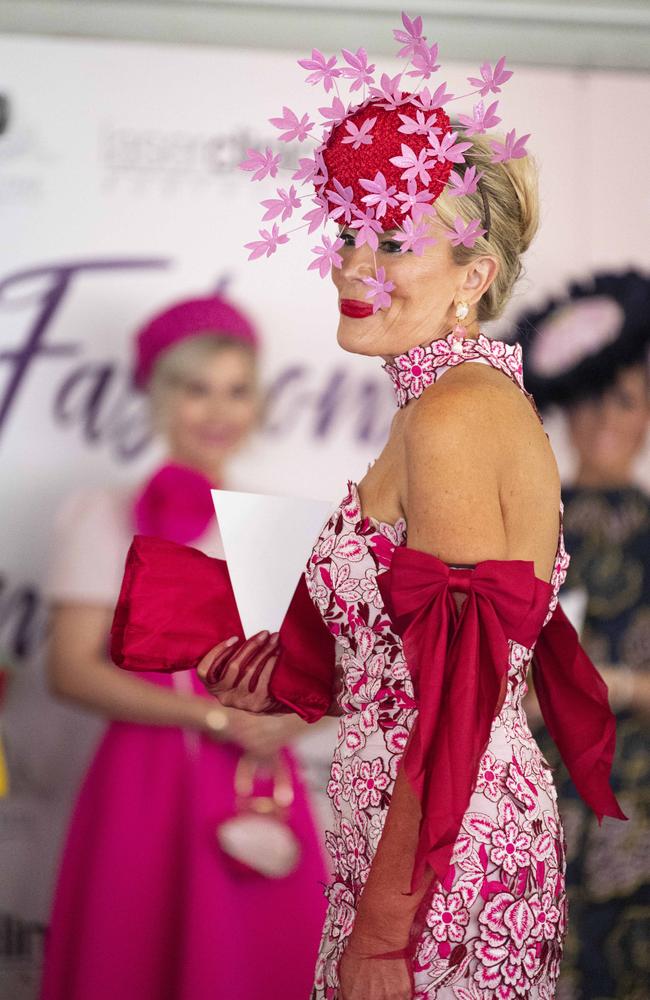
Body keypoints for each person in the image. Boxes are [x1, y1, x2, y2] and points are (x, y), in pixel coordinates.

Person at [112, 15, 624, 999]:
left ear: (472, 276)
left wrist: (385, 931)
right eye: (349, 231)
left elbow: (457, 693)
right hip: (408, 827)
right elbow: (406, 662)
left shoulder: (455, 417)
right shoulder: (434, 406)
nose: (354, 262)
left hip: (438, 854)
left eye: (393, 239)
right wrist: (276, 658)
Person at [40, 291, 327, 1000]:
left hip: (258, 785)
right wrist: (218, 719)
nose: (219, 411)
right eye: (197, 389)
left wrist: (294, 716)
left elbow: (310, 674)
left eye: (236, 390)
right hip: (147, 779)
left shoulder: (272, 523)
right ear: (161, 394)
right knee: (138, 956)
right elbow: (70, 669)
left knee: (254, 963)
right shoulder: (103, 515)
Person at [516, 271, 650, 1000]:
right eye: (590, 396)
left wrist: (608, 686)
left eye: (625, 399)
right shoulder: (522, 525)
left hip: (636, 797)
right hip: (536, 793)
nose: (604, 416)